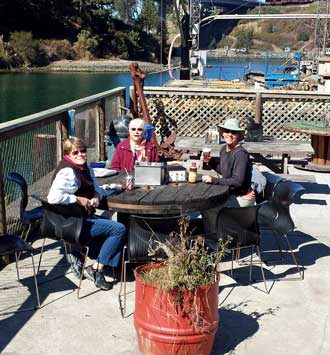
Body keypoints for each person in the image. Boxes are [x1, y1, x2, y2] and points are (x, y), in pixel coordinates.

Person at [47, 137, 126, 291]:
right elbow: (52, 197)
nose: (80, 155)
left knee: (110, 227)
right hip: (71, 223)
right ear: (67, 155)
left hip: (83, 218)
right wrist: (77, 199)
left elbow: (96, 188)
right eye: (75, 152)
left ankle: (98, 258)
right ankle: (96, 270)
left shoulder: (86, 168)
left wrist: (96, 196)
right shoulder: (67, 172)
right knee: (119, 229)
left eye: (83, 151)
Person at [201, 118, 255, 234]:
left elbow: (237, 181)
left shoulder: (240, 154)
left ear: (239, 135)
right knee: (206, 204)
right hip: (231, 193)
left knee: (208, 208)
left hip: (242, 197)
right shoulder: (223, 150)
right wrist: (210, 162)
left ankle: (217, 238)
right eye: (227, 131)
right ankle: (216, 233)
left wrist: (214, 180)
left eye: (233, 132)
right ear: (222, 132)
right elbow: (225, 172)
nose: (229, 134)